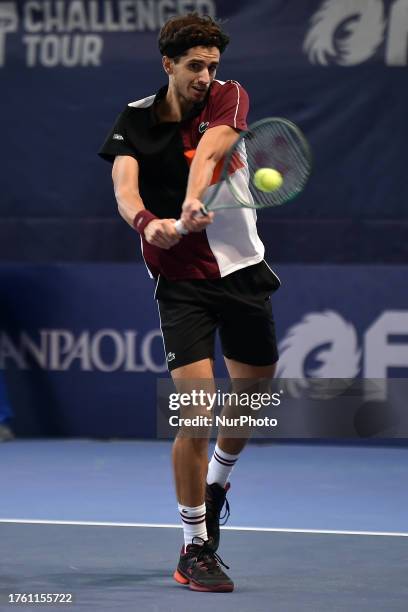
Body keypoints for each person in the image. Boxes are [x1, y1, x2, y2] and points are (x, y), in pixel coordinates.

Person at [99, 13, 280, 593]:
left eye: (212, 65)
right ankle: (194, 546)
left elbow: (212, 151)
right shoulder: (135, 117)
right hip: (181, 282)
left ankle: (217, 484)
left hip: (242, 269)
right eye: (195, 66)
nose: (206, 75)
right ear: (168, 65)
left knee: (254, 393)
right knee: (196, 410)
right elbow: (125, 190)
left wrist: (192, 202)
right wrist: (150, 224)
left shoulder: (229, 96)